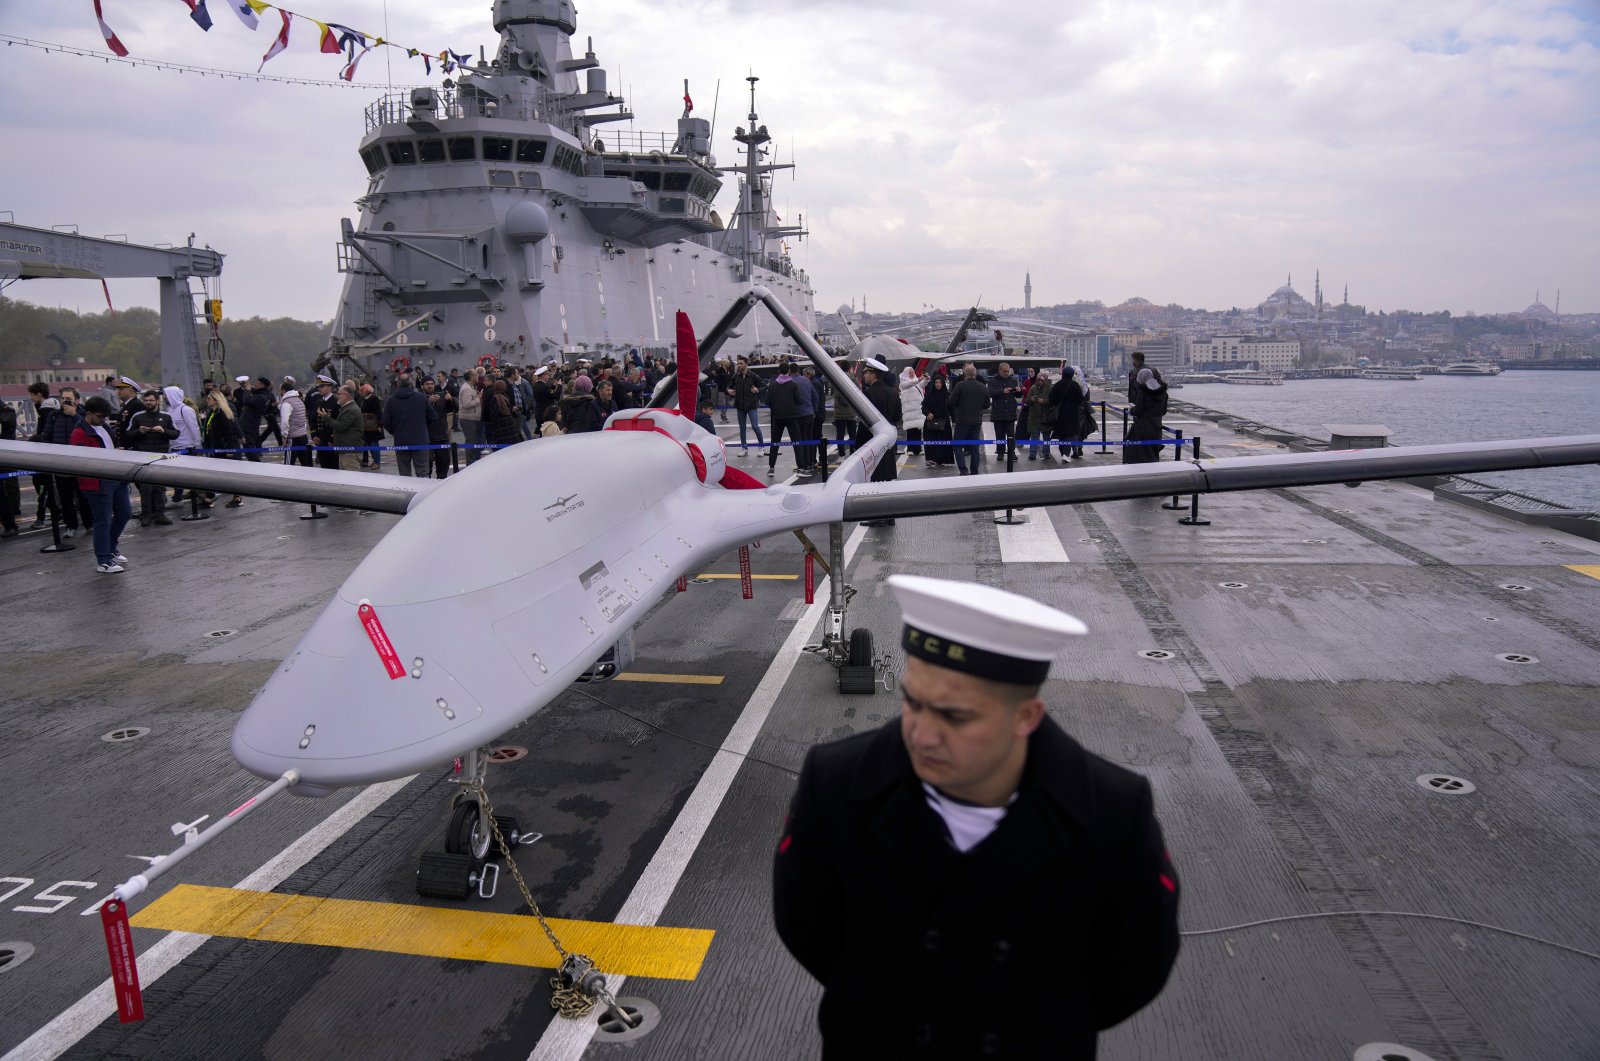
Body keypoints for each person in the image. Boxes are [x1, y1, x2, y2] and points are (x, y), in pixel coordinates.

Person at [773, 574, 1180, 1058]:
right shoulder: (835, 784)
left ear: (1026, 717)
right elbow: (804, 923)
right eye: (912, 703)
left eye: (955, 716)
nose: (922, 735)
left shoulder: (1114, 811)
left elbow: (1138, 964)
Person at [70, 396, 133, 573]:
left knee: (124, 513)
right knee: (102, 521)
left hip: (115, 477)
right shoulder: (79, 433)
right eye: (100, 416)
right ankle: (103, 559)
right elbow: (81, 461)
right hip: (96, 481)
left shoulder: (103, 426)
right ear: (89, 413)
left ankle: (110, 549)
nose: (103, 419)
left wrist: (117, 453)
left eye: (105, 417)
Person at [124, 389, 178, 525]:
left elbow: (176, 433)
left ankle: (160, 514)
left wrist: (163, 431)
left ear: (157, 401)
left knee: (159, 487)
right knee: (145, 488)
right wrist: (139, 432)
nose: (148, 403)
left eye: (151, 400)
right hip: (144, 457)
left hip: (161, 456)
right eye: (146, 400)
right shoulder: (137, 416)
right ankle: (146, 515)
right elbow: (127, 434)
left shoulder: (166, 416)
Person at [382, 373, 436, 477]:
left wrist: (395, 432)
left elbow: (386, 421)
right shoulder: (421, 398)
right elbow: (433, 417)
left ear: (398, 384)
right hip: (420, 440)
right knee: (422, 472)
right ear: (411, 383)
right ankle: (423, 493)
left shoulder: (392, 400)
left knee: (404, 474)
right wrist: (422, 427)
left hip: (401, 441)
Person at [202, 390, 246, 507]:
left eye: (209, 399)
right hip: (214, 449)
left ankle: (237, 498)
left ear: (216, 400)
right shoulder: (212, 412)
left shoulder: (222, 414)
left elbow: (229, 434)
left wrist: (229, 451)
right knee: (211, 474)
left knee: (230, 475)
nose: (207, 400)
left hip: (225, 450)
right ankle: (209, 498)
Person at [765, 361, 809, 479]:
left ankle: (771, 468)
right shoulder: (793, 385)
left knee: (775, 443)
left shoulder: (773, 385)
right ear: (789, 371)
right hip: (792, 417)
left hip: (777, 417)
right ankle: (800, 467)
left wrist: (776, 407)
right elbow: (799, 400)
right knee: (796, 442)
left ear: (779, 371)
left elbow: (767, 401)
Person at [948, 363, 991, 476]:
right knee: (974, 447)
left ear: (965, 374)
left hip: (962, 420)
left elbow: (951, 402)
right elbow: (987, 404)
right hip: (977, 421)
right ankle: (974, 470)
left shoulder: (960, 385)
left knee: (957, 446)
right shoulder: (982, 386)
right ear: (975, 374)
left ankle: (963, 469)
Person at [164, 386, 202, 503]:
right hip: (175, 447)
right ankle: (178, 496)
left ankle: (200, 494)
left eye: (166, 395)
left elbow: (194, 428)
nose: (164, 397)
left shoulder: (185, 410)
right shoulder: (169, 410)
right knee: (176, 474)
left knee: (190, 475)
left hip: (187, 447)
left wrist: (198, 445)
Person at [1124, 367, 1168, 465]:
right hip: (1156, 428)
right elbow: (1164, 411)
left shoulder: (1143, 391)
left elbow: (1138, 411)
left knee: (1137, 457)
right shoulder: (1163, 392)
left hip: (1142, 428)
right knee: (1152, 456)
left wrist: (1132, 410)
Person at [420, 376, 455, 478]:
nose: (430, 386)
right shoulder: (420, 398)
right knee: (427, 467)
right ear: (422, 386)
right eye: (427, 384)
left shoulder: (440, 396)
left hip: (442, 436)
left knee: (443, 467)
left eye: (431, 384)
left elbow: (454, 408)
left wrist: (450, 400)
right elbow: (418, 414)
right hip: (427, 438)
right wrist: (429, 402)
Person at [729, 358, 766, 453]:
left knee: (755, 426)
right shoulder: (735, 376)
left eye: (741, 363)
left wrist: (757, 390)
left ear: (746, 364)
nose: (739, 365)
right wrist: (728, 391)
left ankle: (761, 447)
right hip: (740, 406)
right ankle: (744, 448)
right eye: (738, 364)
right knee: (742, 428)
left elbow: (764, 386)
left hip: (751, 405)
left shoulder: (753, 376)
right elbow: (729, 387)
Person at [305, 375, 341, 471]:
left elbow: (337, 422)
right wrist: (314, 435)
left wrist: (332, 439)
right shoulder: (318, 402)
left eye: (322, 386)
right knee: (324, 467)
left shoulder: (336, 403)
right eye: (318, 387)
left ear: (329, 387)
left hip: (331, 441)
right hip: (320, 440)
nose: (319, 389)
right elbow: (312, 420)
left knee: (333, 467)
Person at [987, 362, 1022, 460]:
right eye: (1004, 371)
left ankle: (1012, 452)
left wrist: (1019, 391)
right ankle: (1000, 452)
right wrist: (1002, 391)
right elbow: (990, 393)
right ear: (999, 371)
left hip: (1010, 411)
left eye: (1008, 371)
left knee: (1011, 434)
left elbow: (1018, 396)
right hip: (998, 412)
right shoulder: (992, 381)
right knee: (999, 435)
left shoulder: (1013, 381)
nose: (1006, 373)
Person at [328, 383, 366, 472]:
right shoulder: (347, 408)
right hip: (346, 450)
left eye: (339, 394)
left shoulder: (351, 410)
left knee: (352, 480)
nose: (337, 396)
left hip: (350, 452)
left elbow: (340, 426)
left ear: (346, 395)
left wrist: (327, 418)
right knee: (346, 479)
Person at [920, 373, 953, 468]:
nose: (938, 384)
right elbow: (924, 407)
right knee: (931, 441)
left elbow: (951, 408)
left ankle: (942, 459)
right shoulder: (929, 395)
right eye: (936, 382)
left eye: (940, 382)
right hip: (931, 422)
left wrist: (954, 420)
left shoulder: (947, 395)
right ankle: (931, 459)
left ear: (942, 384)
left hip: (944, 422)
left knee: (943, 441)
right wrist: (928, 413)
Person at [235, 377, 271, 462]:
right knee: (249, 447)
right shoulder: (261, 393)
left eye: (257, 383)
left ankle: (257, 465)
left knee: (249, 448)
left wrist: (247, 390)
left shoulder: (263, 397)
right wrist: (245, 386)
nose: (255, 384)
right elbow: (252, 393)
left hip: (249, 425)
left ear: (262, 385)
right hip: (249, 424)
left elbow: (247, 400)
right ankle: (255, 463)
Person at [1023, 369, 1055, 461]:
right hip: (1034, 416)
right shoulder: (1033, 388)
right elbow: (1027, 401)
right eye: (1038, 380)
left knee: (1046, 436)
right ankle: (1032, 453)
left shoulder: (1050, 388)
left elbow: (1052, 401)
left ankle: (1046, 453)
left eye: (1042, 380)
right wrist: (1031, 400)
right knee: (1034, 436)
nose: (1040, 382)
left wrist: (1044, 401)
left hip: (1046, 416)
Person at [279, 378, 311, 468]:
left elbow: (285, 422)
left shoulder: (287, 403)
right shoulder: (299, 400)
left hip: (293, 438)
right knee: (305, 464)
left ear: (283, 390)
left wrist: (284, 436)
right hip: (303, 436)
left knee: (288, 465)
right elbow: (303, 418)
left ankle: (288, 481)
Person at [0, 398, 19, 538]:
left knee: (3, 493)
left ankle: (10, 524)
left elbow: (5, 428)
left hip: (4, 456)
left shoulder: (6, 413)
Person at [898, 367, 926, 458]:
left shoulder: (915, 381)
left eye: (913, 371)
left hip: (917, 409)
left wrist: (926, 380)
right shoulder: (903, 383)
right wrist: (918, 379)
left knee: (918, 431)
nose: (912, 373)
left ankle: (918, 448)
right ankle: (910, 449)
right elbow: (908, 384)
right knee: (910, 431)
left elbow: (922, 385)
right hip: (909, 410)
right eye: (910, 372)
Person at [359, 382, 385, 468]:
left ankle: (377, 462)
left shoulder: (374, 399)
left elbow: (379, 412)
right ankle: (375, 461)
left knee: (374, 444)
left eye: (362, 391)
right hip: (367, 426)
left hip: (374, 427)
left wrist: (380, 425)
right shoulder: (365, 400)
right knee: (369, 444)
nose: (360, 393)